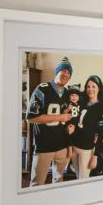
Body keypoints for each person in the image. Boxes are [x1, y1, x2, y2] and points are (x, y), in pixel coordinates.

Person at [26, 57, 73, 186]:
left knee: (59, 182)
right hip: (44, 146)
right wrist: (59, 117)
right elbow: (31, 118)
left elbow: (67, 119)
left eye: (69, 72)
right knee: (37, 184)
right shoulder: (42, 89)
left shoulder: (68, 93)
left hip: (62, 146)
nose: (66, 74)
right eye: (63, 70)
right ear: (56, 71)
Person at [71, 76, 103, 180]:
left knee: (83, 179)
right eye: (88, 86)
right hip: (74, 147)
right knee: (76, 177)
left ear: (99, 88)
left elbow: (102, 133)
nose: (90, 89)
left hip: (87, 149)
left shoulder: (101, 108)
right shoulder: (81, 102)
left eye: (93, 86)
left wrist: (95, 157)